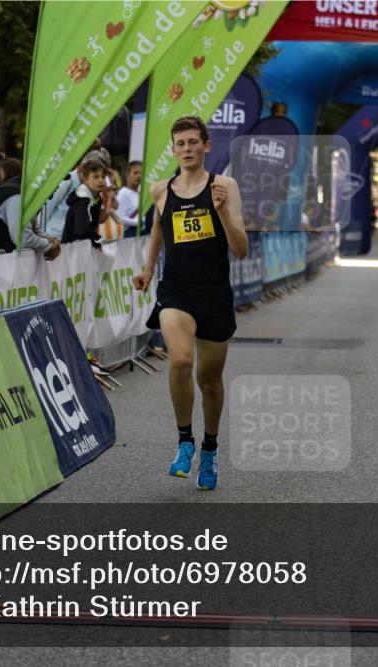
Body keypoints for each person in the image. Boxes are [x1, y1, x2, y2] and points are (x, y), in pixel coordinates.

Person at [132, 116, 248, 491]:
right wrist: (148, 270)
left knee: (209, 381)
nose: (186, 149)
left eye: (193, 142)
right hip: (176, 291)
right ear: (173, 149)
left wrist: (223, 213)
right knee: (180, 360)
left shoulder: (225, 186)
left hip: (214, 293)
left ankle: (210, 450)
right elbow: (157, 229)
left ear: (206, 146)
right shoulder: (160, 190)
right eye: (180, 143)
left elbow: (241, 249)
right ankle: (185, 442)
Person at [61, 153, 114, 247]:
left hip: (84, 248)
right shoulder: (82, 199)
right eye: (96, 177)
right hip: (72, 250)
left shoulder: (97, 198)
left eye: (103, 176)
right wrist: (99, 240)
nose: (101, 180)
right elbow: (81, 231)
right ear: (85, 179)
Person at [116, 161, 142, 238]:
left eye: (141, 173)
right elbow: (119, 217)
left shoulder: (141, 193)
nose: (138, 176)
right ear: (128, 174)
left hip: (141, 233)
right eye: (135, 173)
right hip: (129, 234)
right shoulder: (123, 193)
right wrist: (137, 222)